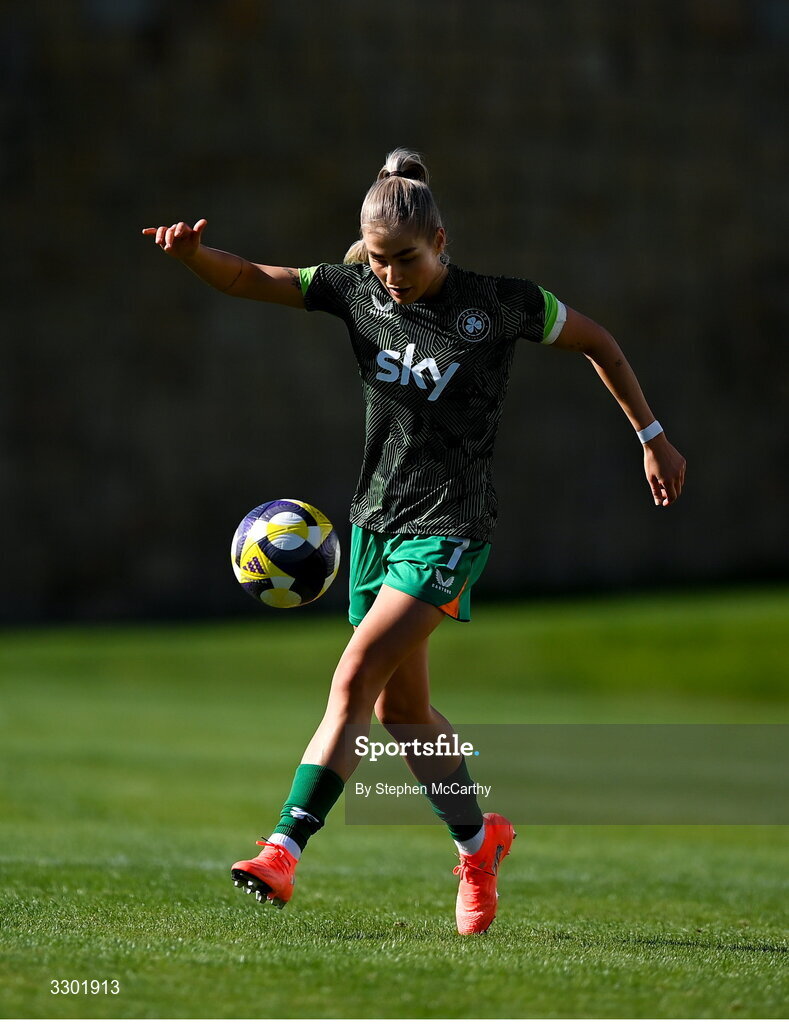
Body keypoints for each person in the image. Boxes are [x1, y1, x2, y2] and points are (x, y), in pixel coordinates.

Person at [143, 148, 686, 934]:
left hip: (452, 526)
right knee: (404, 713)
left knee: (353, 676)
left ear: (440, 240)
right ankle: (478, 843)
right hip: (372, 526)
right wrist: (195, 258)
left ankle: (281, 849)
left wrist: (651, 434)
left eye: (405, 257)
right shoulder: (353, 290)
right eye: (377, 257)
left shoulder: (499, 306)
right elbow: (247, 277)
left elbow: (600, 342)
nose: (391, 273)